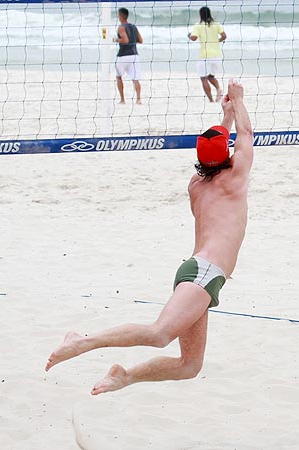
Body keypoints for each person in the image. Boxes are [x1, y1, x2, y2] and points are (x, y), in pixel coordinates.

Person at [45, 80, 253, 395]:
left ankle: (124, 376)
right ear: (226, 155)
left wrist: (225, 115)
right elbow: (246, 136)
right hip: (204, 273)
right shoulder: (234, 178)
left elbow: (218, 146)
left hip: (199, 272)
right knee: (159, 334)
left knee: (189, 366)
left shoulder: (196, 184)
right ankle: (82, 341)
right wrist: (237, 100)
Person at [188, 6, 227, 102]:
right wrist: (217, 41)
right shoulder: (216, 24)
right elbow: (224, 36)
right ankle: (218, 88)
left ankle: (211, 100)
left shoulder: (198, 25)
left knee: (203, 78)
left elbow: (194, 38)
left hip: (204, 56)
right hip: (217, 55)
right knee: (211, 77)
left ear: (200, 15)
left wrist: (189, 35)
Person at [113, 7, 143, 104]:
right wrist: (132, 41)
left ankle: (122, 100)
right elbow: (141, 40)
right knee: (135, 78)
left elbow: (125, 40)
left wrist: (116, 40)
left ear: (120, 16)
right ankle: (138, 99)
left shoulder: (121, 27)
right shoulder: (134, 27)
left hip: (123, 56)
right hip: (134, 55)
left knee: (118, 77)